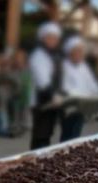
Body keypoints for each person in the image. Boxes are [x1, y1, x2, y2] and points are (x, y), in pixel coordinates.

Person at [60, 36, 98, 142]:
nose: (80, 54)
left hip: (82, 106)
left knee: (76, 134)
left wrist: (97, 95)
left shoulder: (84, 67)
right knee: (68, 135)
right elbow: (65, 87)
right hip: (70, 107)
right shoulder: (64, 66)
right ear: (70, 52)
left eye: (81, 51)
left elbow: (92, 85)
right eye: (77, 50)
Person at [29, 22, 63, 150]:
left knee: (47, 133)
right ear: (43, 38)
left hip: (50, 100)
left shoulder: (53, 56)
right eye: (50, 38)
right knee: (40, 135)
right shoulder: (39, 55)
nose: (53, 41)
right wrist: (52, 95)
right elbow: (42, 80)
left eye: (55, 38)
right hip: (42, 100)